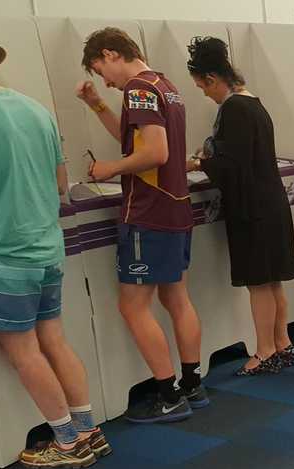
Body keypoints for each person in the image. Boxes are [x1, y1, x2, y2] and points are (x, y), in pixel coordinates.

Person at [76, 27, 207, 422]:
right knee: (177, 299)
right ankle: (191, 384)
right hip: (176, 209)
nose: (105, 80)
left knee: (132, 306)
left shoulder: (138, 89)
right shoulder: (163, 85)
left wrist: (108, 170)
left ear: (112, 53)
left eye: (102, 71)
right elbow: (137, 140)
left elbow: (154, 152)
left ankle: (168, 396)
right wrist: (98, 105)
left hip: (148, 212)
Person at [0, 44, 110, 469]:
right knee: (54, 340)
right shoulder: (35, 109)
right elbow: (62, 183)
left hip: (4, 254)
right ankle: (87, 430)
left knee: (23, 350)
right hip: (46, 247)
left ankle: (65, 442)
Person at [186, 36, 294, 375]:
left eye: (203, 87)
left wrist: (198, 164)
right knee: (273, 280)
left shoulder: (234, 109)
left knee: (258, 283)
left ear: (212, 79)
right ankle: (282, 342)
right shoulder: (255, 104)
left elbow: (231, 166)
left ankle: (264, 349)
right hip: (270, 201)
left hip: (252, 207)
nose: (205, 94)